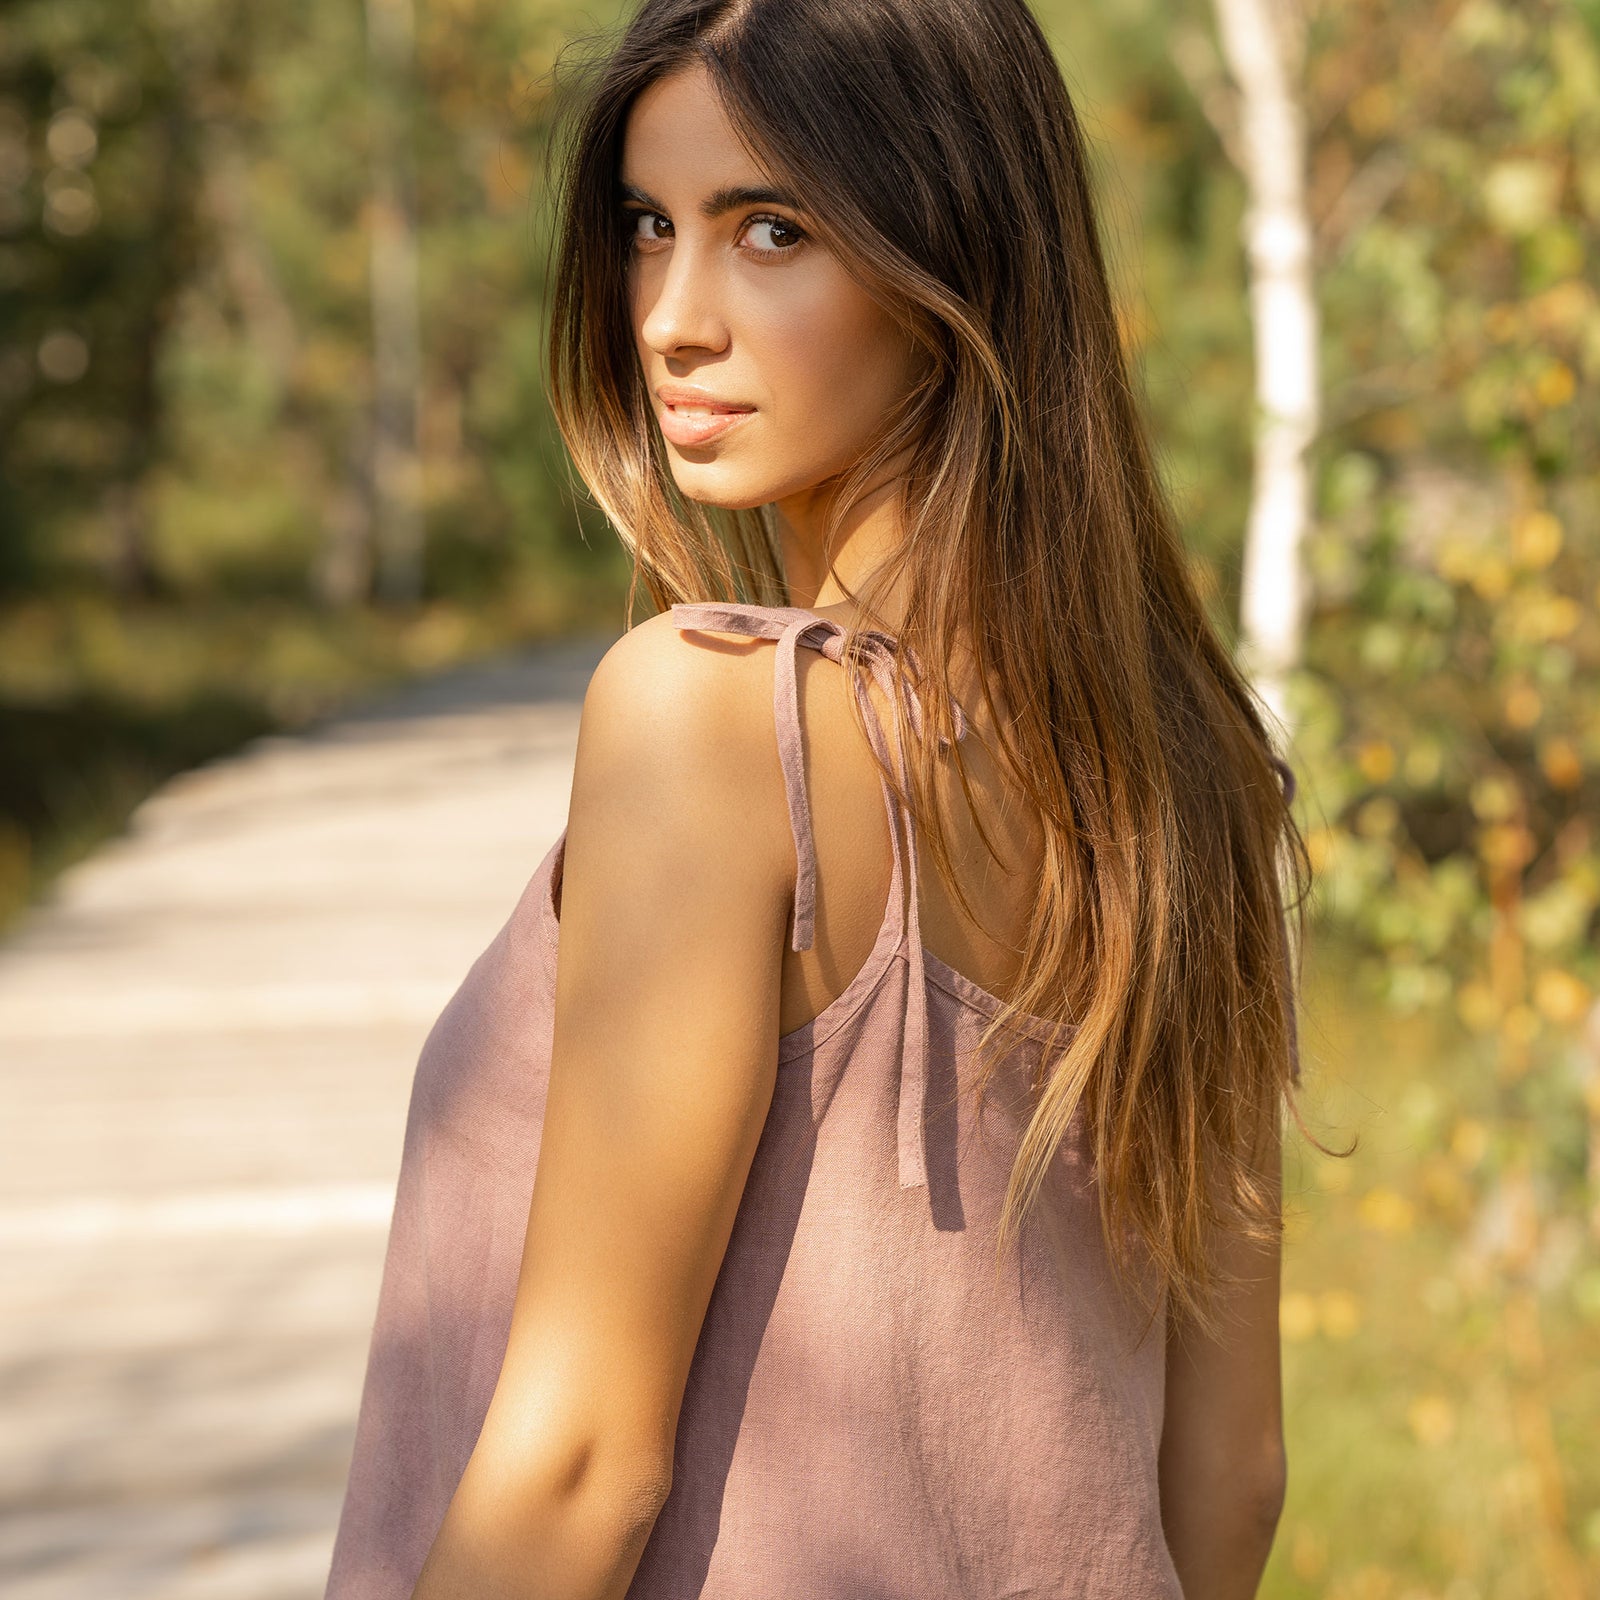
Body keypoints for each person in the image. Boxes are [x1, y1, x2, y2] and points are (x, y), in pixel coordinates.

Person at [324, 1, 1317, 1596]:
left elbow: (582, 1465)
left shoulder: (712, 720)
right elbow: (1232, 1476)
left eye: (769, 231)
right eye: (650, 228)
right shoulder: (1195, 783)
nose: (669, 315)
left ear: (955, 268)